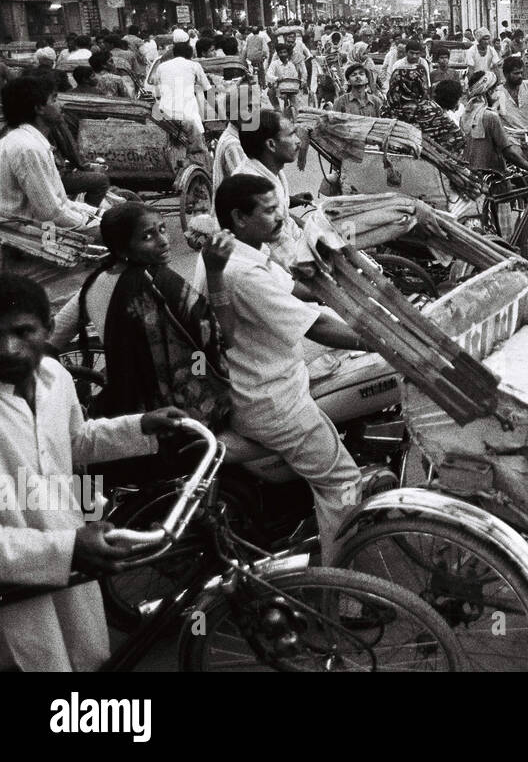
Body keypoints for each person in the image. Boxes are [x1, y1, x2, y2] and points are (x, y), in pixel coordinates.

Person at [0, 273, 191, 671]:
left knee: (89, 656)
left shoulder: (56, 377)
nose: (8, 348)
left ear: (49, 328)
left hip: (72, 550)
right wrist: (66, 548)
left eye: (23, 332)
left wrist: (140, 426)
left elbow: (76, 440)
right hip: (14, 577)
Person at [203, 175, 367, 564]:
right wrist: (380, 339)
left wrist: (344, 284)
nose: (280, 216)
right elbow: (319, 328)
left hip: (266, 382)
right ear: (240, 218)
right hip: (272, 400)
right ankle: (344, 593)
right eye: (269, 209)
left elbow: (297, 290)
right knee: (342, 482)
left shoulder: (241, 254)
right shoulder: (242, 273)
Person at [48, 203, 235, 431]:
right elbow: (222, 339)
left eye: (163, 229)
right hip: (185, 409)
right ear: (122, 249)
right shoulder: (162, 283)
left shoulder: (91, 286)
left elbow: (52, 338)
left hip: (129, 408)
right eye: (148, 236)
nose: (163, 241)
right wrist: (215, 272)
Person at [0, 77, 102, 231]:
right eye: (54, 99)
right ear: (39, 108)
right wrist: (92, 224)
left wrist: (96, 213)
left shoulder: (25, 139)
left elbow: (60, 203)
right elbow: (51, 213)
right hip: (34, 232)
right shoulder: (29, 148)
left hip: (36, 225)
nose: (60, 105)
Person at [234, 109, 308, 270]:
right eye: (291, 135)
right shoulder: (256, 188)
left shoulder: (273, 171)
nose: (298, 141)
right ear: (271, 144)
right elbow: (280, 251)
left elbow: (287, 225)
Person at [460, 70, 528, 179]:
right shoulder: (490, 116)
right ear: (488, 92)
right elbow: (508, 153)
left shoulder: (466, 113)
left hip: (471, 175)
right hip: (492, 176)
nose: (498, 93)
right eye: (495, 89)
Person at [152, 39, 211, 151]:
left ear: (174, 54)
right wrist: (221, 112)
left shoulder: (161, 67)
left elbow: (156, 93)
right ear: (190, 55)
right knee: (200, 152)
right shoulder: (194, 66)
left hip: (167, 119)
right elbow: (208, 90)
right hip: (189, 117)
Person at [494, 55, 528, 164]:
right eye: (516, 73)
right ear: (506, 74)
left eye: (521, 73)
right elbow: (496, 116)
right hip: (510, 137)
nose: (520, 76)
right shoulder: (498, 93)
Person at [386, 41, 432, 107]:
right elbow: (392, 85)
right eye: (411, 53)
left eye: (417, 53)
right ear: (406, 52)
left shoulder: (423, 63)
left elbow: (427, 84)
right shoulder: (398, 64)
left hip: (418, 98)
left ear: (420, 54)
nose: (414, 56)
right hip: (401, 98)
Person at [266, 43, 305, 114]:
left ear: (288, 53)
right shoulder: (274, 64)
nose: (283, 54)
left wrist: (299, 81)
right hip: (278, 87)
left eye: (284, 52)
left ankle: (294, 113)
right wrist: (277, 78)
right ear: (278, 54)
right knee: (270, 92)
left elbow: (295, 75)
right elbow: (268, 74)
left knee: (296, 103)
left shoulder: (291, 65)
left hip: (290, 87)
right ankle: (277, 108)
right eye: (280, 53)